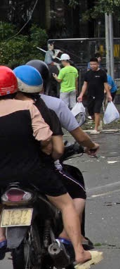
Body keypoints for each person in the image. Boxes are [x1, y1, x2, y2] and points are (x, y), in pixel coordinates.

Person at [0, 66, 92, 265]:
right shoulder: (29, 108)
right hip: (33, 172)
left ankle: (1, 238)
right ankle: (79, 251)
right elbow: (45, 140)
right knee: (67, 204)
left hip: (2, 175)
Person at [25, 60, 99, 251]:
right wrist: (90, 146)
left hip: (9, 169)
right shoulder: (50, 107)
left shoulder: (7, 107)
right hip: (42, 168)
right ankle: (69, 238)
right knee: (76, 193)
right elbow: (67, 142)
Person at [77, 58, 112, 134]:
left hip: (99, 95)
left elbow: (105, 84)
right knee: (91, 112)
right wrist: (81, 95)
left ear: (98, 64)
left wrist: (108, 94)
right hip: (90, 95)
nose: (93, 66)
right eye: (91, 64)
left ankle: (96, 128)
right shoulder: (87, 74)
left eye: (94, 64)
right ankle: (98, 123)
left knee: (97, 111)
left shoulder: (102, 73)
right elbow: (85, 85)